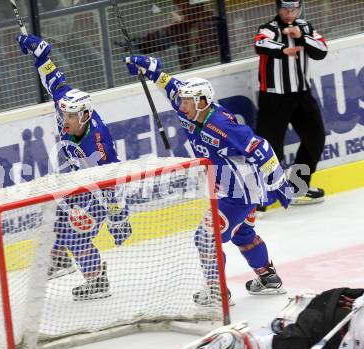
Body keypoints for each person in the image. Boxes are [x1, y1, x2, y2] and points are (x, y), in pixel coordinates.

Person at [124, 55, 293, 305]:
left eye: (187, 102)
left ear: (202, 101)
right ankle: (268, 278)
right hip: (230, 191)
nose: (181, 106)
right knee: (242, 233)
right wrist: (151, 70)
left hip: (239, 194)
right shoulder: (189, 113)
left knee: (205, 236)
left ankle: (217, 291)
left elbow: (261, 147)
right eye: (182, 101)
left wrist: (278, 182)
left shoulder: (221, 123)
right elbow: (172, 88)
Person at [17, 34, 132, 301]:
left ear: (85, 116)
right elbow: (54, 81)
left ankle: (97, 280)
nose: (65, 119)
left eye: (70, 116)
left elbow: (111, 181)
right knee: (55, 212)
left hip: (98, 191)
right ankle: (60, 260)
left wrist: (118, 216)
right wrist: (41, 54)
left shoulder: (97, 144)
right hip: (79, 180)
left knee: (75, 233)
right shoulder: (67, 107)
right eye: (63, 114)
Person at [254, 0, 328, 207]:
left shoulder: (305, 27)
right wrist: (282, 49)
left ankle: (297, 186)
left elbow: (322, 50)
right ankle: (264, 194)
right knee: (269, 147)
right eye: (285, 9)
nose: (289, 13)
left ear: (299, 8)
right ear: (278, 9)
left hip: (302, 95)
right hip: (274, 97)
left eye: (293, 8)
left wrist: (302, 38)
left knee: (315, 137)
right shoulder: (268, 28)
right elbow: (259, 43)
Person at [179, 287, 364, 349]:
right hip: (334, 323)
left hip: (335, 301)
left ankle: (286, 319)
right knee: (289, 346)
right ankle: (238, 345)